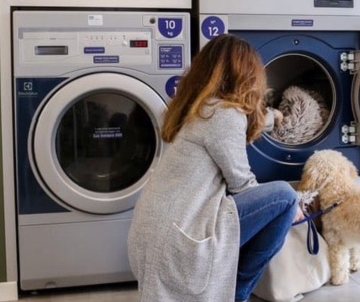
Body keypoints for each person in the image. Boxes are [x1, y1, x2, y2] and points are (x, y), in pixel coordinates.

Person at [127, 34, 304, 302]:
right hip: (180, 244)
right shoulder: (224, 114)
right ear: (247, 76)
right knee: (285, 198)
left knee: (275, 204)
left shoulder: (194, 107)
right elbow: (242, 186)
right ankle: (238, 294)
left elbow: (237, 126)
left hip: (149, 240)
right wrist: (294, 211)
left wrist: (273, 117)